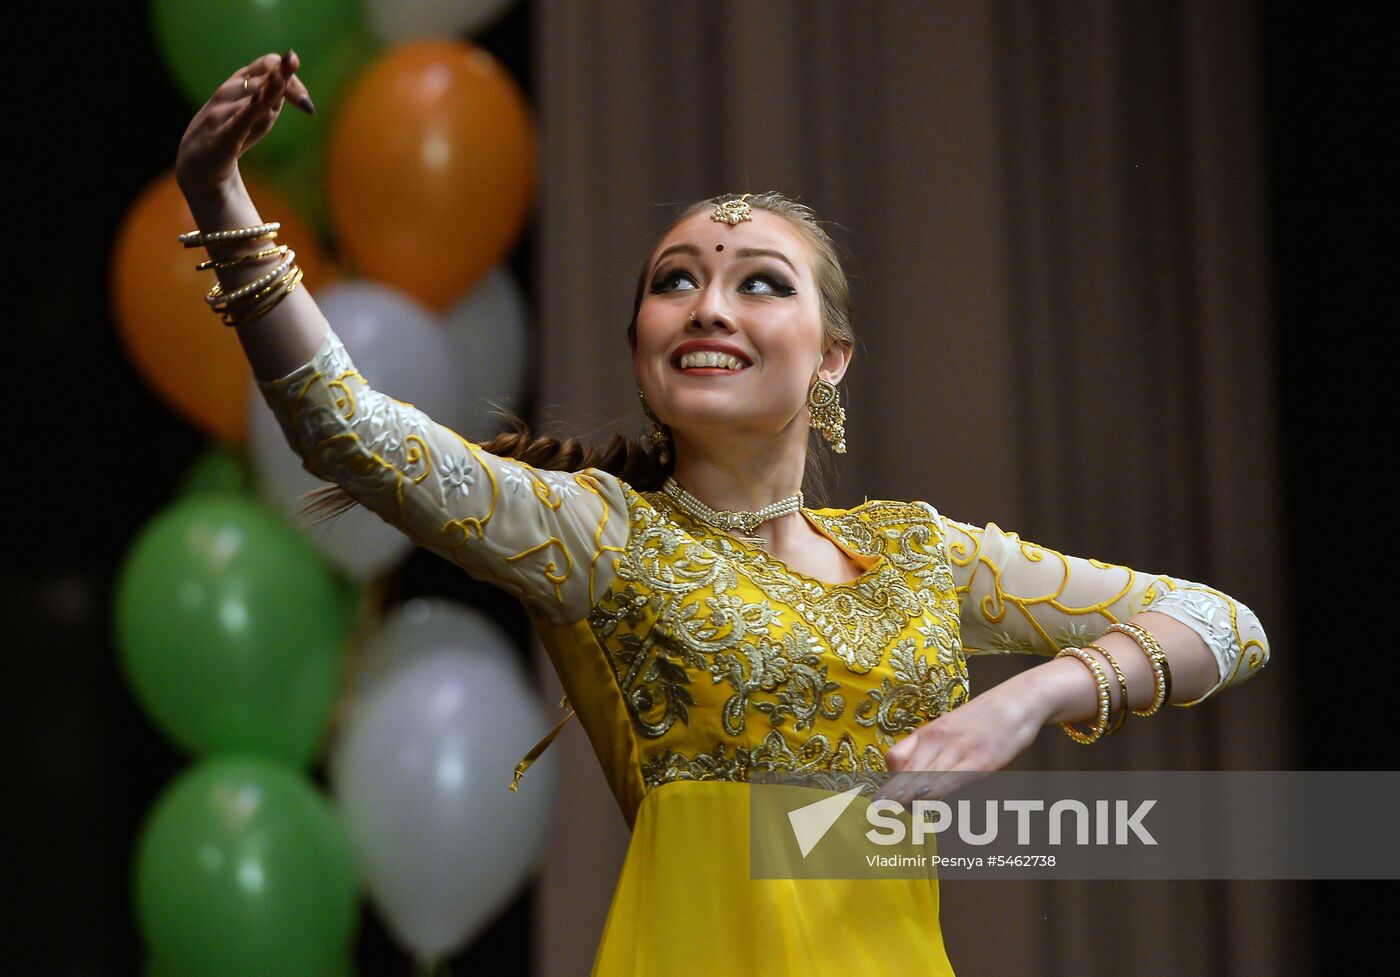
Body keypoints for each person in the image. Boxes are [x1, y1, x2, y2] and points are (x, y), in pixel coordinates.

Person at [175, 52, 1271, 975]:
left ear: (831, 356)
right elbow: (350, 432)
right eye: (675, 281)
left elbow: (1223, 625)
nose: (707, 303)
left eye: (758, 281)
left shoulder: (920, 554)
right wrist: (223, 202)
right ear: (643, 348)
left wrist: (1027, 698)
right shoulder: (599, 535)